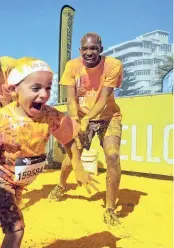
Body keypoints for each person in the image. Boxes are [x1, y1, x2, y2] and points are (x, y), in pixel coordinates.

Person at [0, 57, 98, 248]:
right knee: (15, 229)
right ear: (14, 90)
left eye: (48, 87)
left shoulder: (50, 116)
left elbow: (69, 139)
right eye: (36, 88)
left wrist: (77, 164)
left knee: (3, 218)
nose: (44, 94)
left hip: (19, 183)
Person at [47, 33, 123, 226]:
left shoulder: (113, 65)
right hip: (80, 117)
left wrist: (88, 118)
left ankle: (110, 208)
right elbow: (71, 100)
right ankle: (61, 185)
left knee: (113, 156)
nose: (90, 52)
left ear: (101, 49)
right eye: (86, 49)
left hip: (108, 117)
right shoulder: (72, 67)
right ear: (80, 50)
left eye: (94, 48)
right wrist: (75, 119)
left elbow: (104, 98)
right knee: (72, 157)